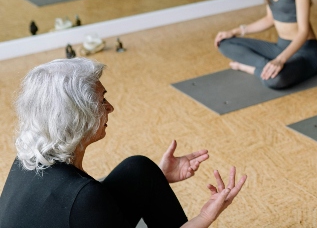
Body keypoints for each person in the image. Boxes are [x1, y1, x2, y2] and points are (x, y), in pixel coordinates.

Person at [0, 58, 247, 227]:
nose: (111, 108)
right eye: (101, 102)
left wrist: (157, 179)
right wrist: (205, 216)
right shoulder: (82, 198)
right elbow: (82, 203)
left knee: (140, 171)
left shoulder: (28, 160)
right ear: (77, 117)